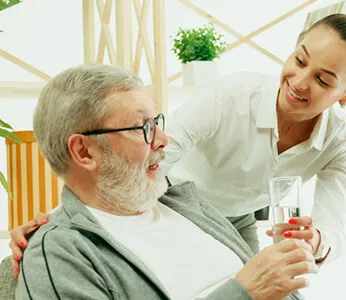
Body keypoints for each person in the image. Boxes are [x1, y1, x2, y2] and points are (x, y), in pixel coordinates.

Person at [10, 13, 346, 269]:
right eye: (299, 60)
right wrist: (55, 222)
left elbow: (332, 227)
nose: (300, 81)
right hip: (173, 201)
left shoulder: (338, 141)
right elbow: (153, 156)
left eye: (324, 80)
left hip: (238, 221)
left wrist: (317, 239)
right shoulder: (230, 98)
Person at [14, 64, 315, 300]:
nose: (162, 140)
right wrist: (244, 293)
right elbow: (254, 289)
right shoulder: (61, 253)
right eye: (142, 127)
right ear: (84, 151)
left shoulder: (190, 207)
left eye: (156, 122)